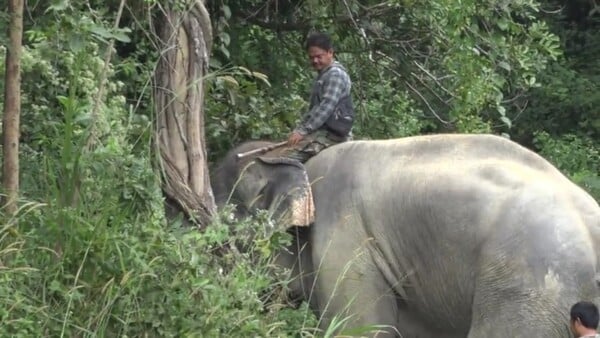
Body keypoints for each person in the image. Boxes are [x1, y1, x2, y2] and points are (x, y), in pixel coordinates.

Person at [283, 32, 355, 163]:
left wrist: (303, 131)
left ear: (330, 53)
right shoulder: (323, 75)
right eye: (311, 57)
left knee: (288, 160)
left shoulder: (335, 74)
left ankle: (300, 184)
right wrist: (299, 129)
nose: (315, 61)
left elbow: (326, 107)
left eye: (319, 56)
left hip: (332, 135)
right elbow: (314, 109)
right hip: (322, 133)